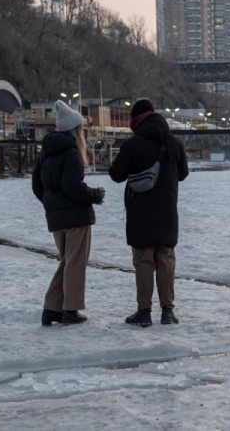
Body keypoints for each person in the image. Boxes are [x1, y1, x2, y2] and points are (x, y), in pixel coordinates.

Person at [109, 99, 189, 327]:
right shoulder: (174, 143)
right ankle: (168, 311)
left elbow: (116, 174)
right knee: (165, 259)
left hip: (140, 212)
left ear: (135, 120)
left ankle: (144, 312)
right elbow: (183, 174)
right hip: (167, 210)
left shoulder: (133, 144)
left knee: (144, 260)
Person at [32, 100, 105, 326]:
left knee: (67, 261)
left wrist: (50, 203)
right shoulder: (72, 153)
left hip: (55, 218)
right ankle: (69, 310)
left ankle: (52, 308)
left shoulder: (46, 152)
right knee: (74, 263)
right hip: (75, 217)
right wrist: (95, 195)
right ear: (76, 130)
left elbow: (36, 185)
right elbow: (72, 187)